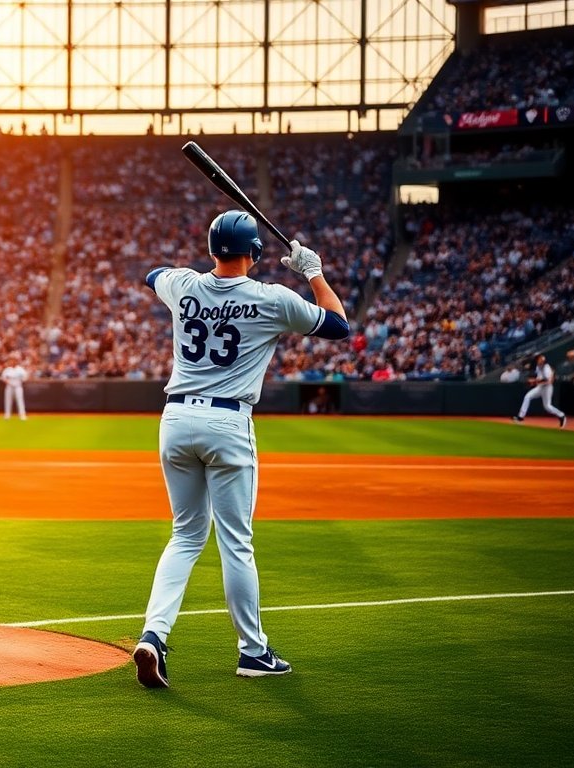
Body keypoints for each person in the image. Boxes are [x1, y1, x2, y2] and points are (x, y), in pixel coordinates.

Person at [133, 211, 351, 688]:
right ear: (255, 252)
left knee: (185, 535)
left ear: (213, 250)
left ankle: (154, 636)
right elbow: (338, 325)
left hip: (175, 418)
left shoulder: (183, 285)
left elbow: (152, 275)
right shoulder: (273, 298)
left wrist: (200, 285)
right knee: (235, 542)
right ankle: (253, 652)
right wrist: (312, 271)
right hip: (227, 422)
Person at [512, 354, 567, 428]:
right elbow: (539, 378)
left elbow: (547, 380)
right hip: (540, 387)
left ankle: (561, 415)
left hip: (547, 388)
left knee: (547, 407)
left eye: (541, 359)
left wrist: (534, 381)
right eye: (539, 359)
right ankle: (520, 417)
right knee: (527, 396)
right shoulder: (538, 367)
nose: (540, 360)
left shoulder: (546, 367)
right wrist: (534, 382)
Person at [1, 354, 28, 420]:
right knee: (8, 400)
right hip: (9, 386)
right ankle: (7, 414)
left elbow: (25, 377)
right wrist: (8, 382)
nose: (13, 362)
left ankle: (22, 415)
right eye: (12, 360)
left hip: (18, 386)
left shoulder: (20, 369)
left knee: (20, 400)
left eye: (14, 360)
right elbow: (3, 378)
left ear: (17, 361)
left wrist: (21, 381)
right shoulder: (7, 369)